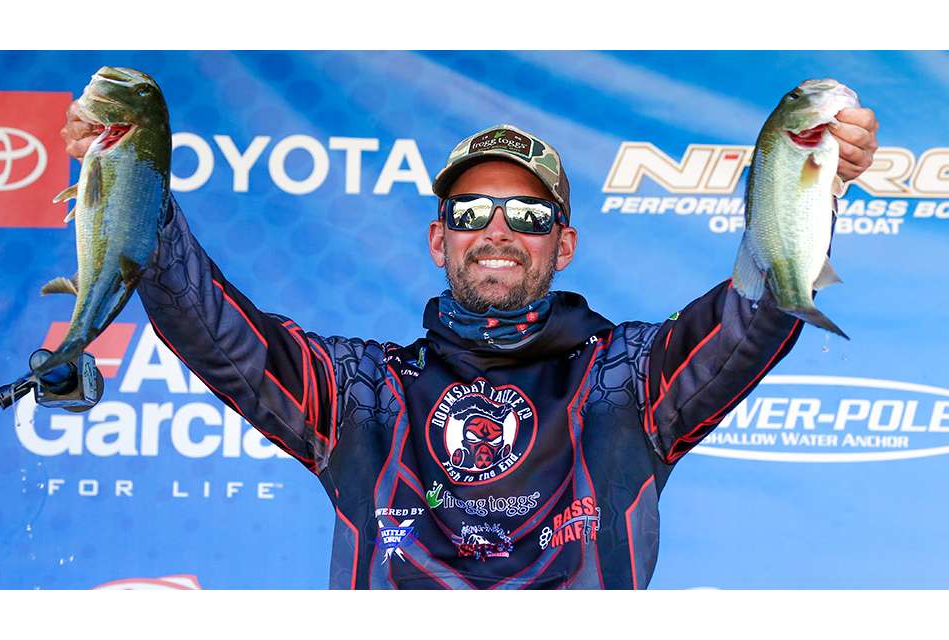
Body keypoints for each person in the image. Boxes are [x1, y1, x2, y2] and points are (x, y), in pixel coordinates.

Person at [61, 102, 879, 589]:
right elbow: (211, 327)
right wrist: (129, 180)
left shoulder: (626, 378)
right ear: (438, 239)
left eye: (528, 215)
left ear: (563, 245)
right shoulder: (362, 390)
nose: (496, 231)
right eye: (469, 212)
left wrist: (811, 183)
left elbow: (758, 310)